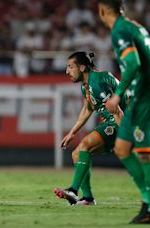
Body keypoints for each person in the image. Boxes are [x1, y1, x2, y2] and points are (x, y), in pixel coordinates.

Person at [98, 0, 150, 224]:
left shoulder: (119, 29)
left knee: (144, 152)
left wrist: (118, 93)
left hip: (144, 96)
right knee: (122, 148)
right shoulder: (136, 26)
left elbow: (133, 62)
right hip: (140, 95)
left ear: (102, 11)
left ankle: (148, 205)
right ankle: (147, 200)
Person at [54, 52, 123, 206]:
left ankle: (73, 190)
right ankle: (88, 198)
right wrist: (72, 132)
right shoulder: (86, 85)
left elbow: (118, 111)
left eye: (70, 67)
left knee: (85, 145)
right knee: (77, 154)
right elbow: (87, 109)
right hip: (112, 122)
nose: (67, 72)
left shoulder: (97, 83)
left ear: (83, 68)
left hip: (120, 123)